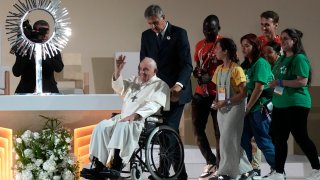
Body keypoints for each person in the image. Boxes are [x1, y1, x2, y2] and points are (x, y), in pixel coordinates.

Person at [80, 55, 170, 179]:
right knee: (101, 126)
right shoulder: (135, 80)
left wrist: (135, 115)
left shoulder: (160, 85)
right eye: (141, 69)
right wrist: (118, 70)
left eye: (146, 70)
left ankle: (116, 167)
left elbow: (153, 106)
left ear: (155, 71)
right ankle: (99, 166)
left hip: (142, 120)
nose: (142, 72)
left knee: (123, 125)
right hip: (124, 117)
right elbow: (119, 87)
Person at [140, 4, 193, 179]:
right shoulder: (146, 36)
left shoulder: (179, 33)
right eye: (150, 24)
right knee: (168, 134)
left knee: (168, 130)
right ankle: (179, 174)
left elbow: (186, 64)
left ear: (163, 18)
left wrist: (178, 84)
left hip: (176, 93)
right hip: (158, 93)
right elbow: (144, 64)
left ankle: (163, 172)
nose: (153, 27)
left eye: (155, 23)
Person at [266, 28, 320, 180]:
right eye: (281, 39)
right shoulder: (281, 60)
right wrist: (274, 101)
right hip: (280, 104)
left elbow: (302, 81)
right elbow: (278, 84)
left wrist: (280, 82)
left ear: (294, 40)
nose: (282, 42)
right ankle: (279, 172)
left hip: (296, 103)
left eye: (285, 39)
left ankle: (317, 169)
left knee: (301, 137)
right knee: (278, 138)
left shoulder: (299, 58)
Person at [209, 38, 254, 180]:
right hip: (222, 109)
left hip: (235, 107)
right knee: (229, 140)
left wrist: (226, 101)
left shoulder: (237, 69)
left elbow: (243, 93)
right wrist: (216, 101)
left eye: (217, 49)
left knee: (226, 140)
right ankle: (247, 169)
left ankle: (224, 172)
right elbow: (219, 90)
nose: (215, 51)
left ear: (225, 51)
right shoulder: (219, 69)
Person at [239, 33, 276, 178]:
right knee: (244, 141)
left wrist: (247, 108)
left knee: (263, 141)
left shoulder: (260, 62)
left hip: (259, 108)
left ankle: (278, 170)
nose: (244, 48)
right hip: (247, 110)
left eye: (247, 45)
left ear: (255, 46)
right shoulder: (245, 65)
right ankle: (248, 171)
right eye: (242, 46)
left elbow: (259, 88)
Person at [191, 14, 222, 180]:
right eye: (205, 29)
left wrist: (210, 78)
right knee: (197, 129)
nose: (207, 32)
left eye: (210, 29)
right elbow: (199, 65)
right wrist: (197, 72)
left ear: (218, 28)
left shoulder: (223, 43)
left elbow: (229, 67)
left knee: (219, 133)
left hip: (218, 94)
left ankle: (220, 165)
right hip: (200, 93)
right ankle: (210, 161)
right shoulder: (199, 45)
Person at [12, 20, 64, 94]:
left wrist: (46, 55)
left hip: (49, 91)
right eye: (42, 31)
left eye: (47, 31)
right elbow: (16, 72)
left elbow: (59, 68)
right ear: (34, 32)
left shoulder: (52, 48)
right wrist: (25, 51)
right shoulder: (25, 48)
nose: (45, 35)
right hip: (26, 91)